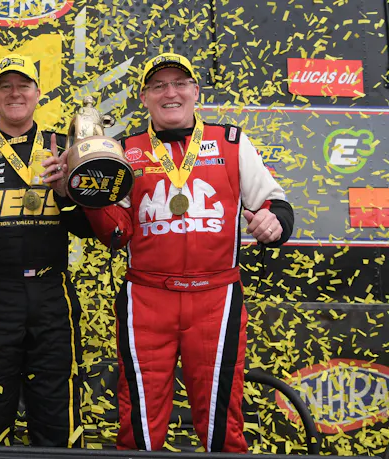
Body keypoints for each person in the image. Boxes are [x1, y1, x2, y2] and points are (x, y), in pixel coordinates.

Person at [83, 52, 294, 452]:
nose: (170, 93)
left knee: (221, 421)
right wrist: (87, 195)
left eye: (180, 83)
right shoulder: (124, 150)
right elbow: (115, 234)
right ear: (144, 97)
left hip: (216, 297)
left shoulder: (231, 142)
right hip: (147, 298)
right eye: (158, 86)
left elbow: (274, 203)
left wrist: (274, 222)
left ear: (196, 91)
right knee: (139, 423)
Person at [0, 53, 94, 447]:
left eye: (23, 86)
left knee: (57, 405)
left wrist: (66, 192)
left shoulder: (65, 149)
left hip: (51, 290)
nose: (14, 93)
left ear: (38, 93)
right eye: (5, 86)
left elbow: (90, 229)